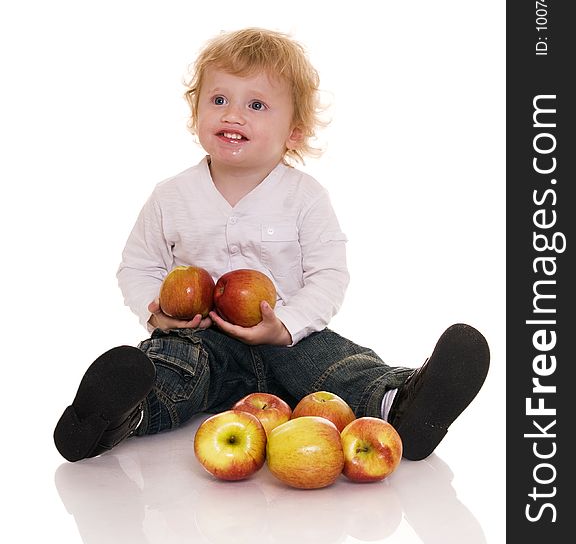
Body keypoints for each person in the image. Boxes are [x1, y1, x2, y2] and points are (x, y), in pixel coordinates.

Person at [54, 28, 490, 463]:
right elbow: (138, 265)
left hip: (288, 342)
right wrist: (157, 310)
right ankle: (116, 418)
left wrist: (287, 324)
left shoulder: (305, 197)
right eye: (219, 100)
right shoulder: (171, 197)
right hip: (203, 341)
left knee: (336, 364)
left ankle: (401, 405)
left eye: (256, 105)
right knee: (172, 368)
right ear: (196, 113)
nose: (233, 115)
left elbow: (328, 275)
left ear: (294, 132)